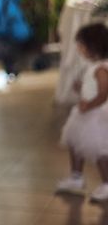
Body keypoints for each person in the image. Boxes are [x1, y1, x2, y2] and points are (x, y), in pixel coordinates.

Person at [57, 22, 108, 202]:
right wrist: (81, 89)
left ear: (93, 47)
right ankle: (76, 177)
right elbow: (92, 88)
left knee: (101, 151)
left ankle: (106, 183)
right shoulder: (93, 66)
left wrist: (90, 104)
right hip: (85, 113)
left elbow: (104, 94)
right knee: (75, 143)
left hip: (98, 115)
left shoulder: (102, 69)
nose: (79, 48)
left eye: (81, 45)